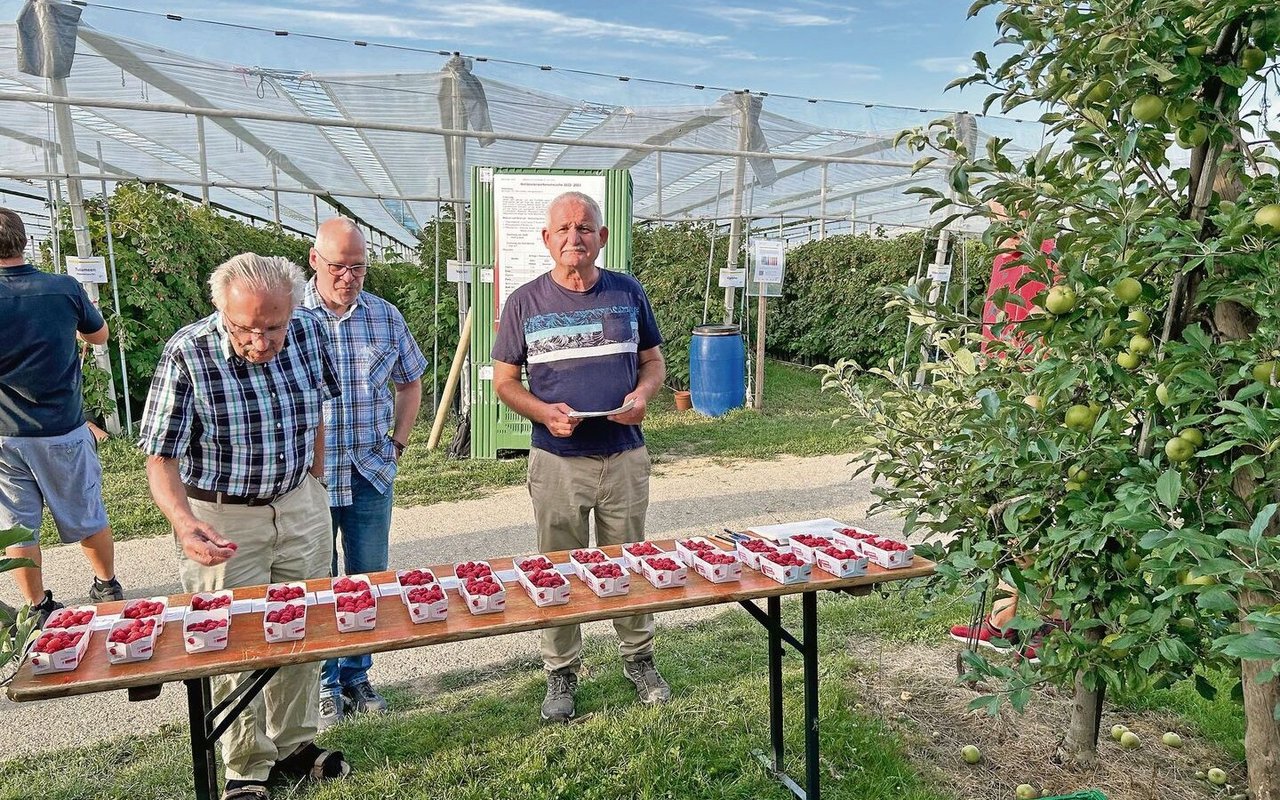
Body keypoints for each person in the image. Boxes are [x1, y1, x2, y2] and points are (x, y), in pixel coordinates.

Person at [138, 253, 346, 800]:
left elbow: (319, 410)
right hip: (222, 514)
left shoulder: (307, 333)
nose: (261, 341)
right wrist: (184, 524)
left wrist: (316, 484)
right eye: (245, 328)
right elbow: (160, 458)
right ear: (221, 311)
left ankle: (295, 743)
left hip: (299, 501)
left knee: (303, 626)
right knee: (231, 639)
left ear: (294, 310)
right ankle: (247, 765)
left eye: (273, 326)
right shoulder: (188, 353)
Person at [491, 191, 670, 723]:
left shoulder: (628, 292)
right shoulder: (523, 302)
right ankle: (561, 670)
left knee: (628, 564)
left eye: (585, 228)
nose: (575, 237)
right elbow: (505, 381)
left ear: (602, 237)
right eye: (564, 229)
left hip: (624, 457)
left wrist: (642, 396)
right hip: (557, 461)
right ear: (547, 240)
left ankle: (639, 659)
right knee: (557, 570)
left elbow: (653, 362)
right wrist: (543, 412)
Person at [302, 218, 426, 730]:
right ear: (315, 260)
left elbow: (411, 381)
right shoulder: (290, 317)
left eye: (358, 267)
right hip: (310, 479)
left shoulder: (384, 316)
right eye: (338, 266)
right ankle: (325, 684)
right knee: (317, 582)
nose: (348, 276)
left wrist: (398, 442)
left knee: (367, 579)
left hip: (370, 469)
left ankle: (357, 675)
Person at [0, 207, 123, 625]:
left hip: (5, 435)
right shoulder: (63, 288)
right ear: (25, 241)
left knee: (17, 525)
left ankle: (36, 608)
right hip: (63, 428)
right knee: (86, 510)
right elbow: (100, 335)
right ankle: (106, 584)